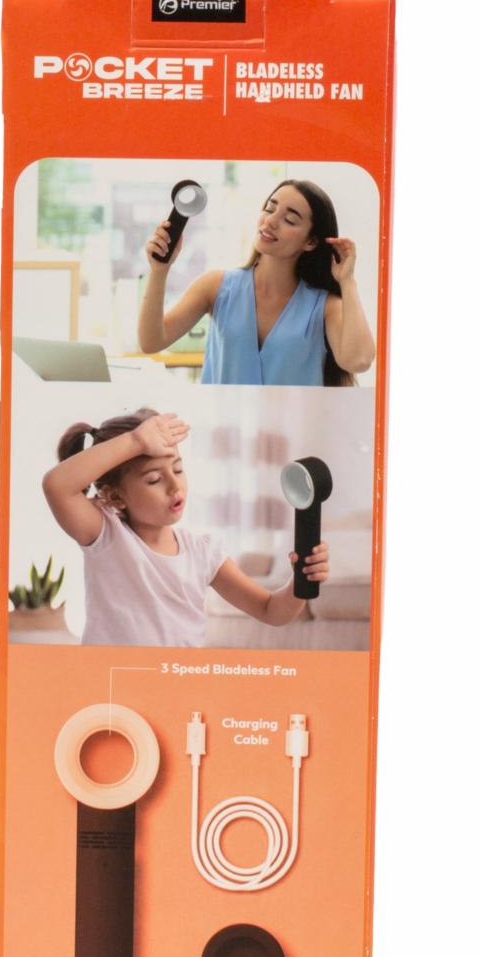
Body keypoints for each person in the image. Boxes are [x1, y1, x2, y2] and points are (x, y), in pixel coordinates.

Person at [41, 408, 329, 647]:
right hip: (114, 681)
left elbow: (271, 610)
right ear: (116, 496)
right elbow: (57, 485)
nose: (174, 485)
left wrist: (300, 582)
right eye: (154, 479)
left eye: (178, 469)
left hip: (176, 681)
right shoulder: (106, 534)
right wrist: (136, 442)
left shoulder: (202, 551)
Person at [137, 179, 376, 387]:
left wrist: (348, 282)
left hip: (297, 428)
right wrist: (159, 270)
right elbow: (151, 341)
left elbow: (359, 360)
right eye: (269, 209)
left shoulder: (324, 307)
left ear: (311, 242)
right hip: (222, 426)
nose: (270, 221)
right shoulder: (215, 286)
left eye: (289, 220)